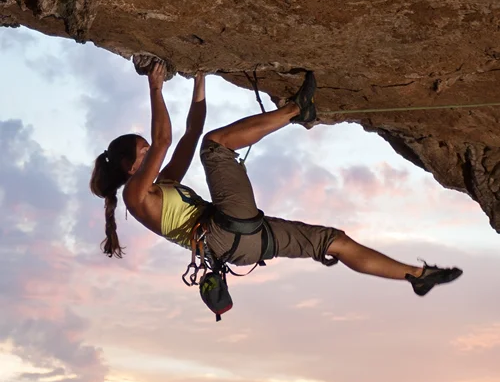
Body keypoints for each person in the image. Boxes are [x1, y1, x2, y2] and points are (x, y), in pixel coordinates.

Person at [90, 61, 462, 297]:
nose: (149, 153)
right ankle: (298, 109)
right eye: (141, 152)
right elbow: (166, 140)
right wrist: (155, 88)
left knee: (334, 242)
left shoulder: (161, 186)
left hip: (242, 245)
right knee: (215, 148)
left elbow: (189, 133)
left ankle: (417, 275)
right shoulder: (136, 197)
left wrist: (200, 76)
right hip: (224, 231)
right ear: (127, 167)